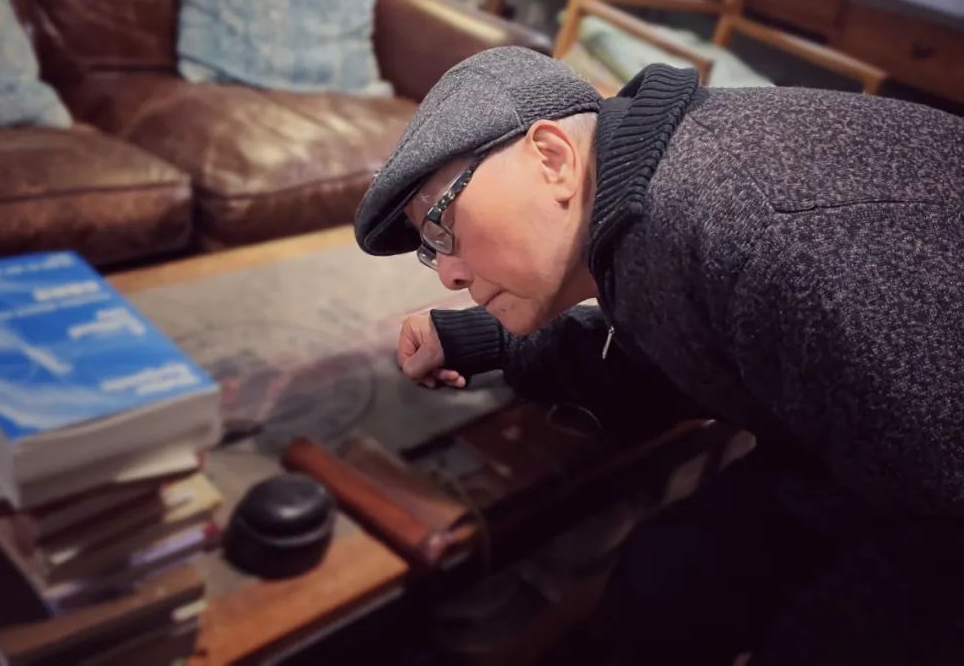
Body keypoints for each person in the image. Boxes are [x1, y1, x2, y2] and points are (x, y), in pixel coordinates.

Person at [354, 47, 964, 665]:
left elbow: (940, 520)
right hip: (859, 463)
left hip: (932, 509)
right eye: (432, 250)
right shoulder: (649, 204)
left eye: (442, 225)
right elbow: (674, 347)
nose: (449, 275)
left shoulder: (758, 232)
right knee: (665, 578)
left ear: (553, 158)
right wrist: (486, 339)